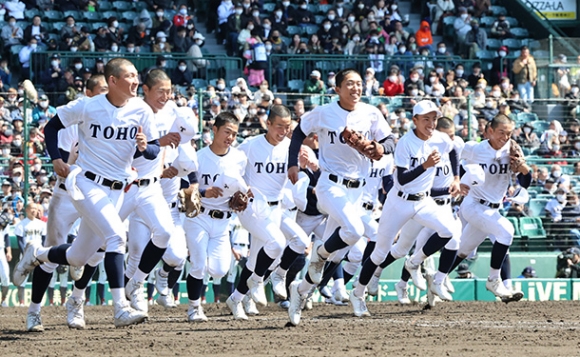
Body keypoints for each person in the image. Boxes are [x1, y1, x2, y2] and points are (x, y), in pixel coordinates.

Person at [13, 58, 158, 331]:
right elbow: (51, 127)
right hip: (85, 183)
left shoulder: (141, 110)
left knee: (79, 257)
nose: (137, 81)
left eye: (137, 75)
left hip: (115, 190)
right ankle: (120, 308)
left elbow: (152, 151)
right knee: (116, 237)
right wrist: (55, 159)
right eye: (130, 76)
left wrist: (143, 147)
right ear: (112, 81)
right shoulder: (88, 106)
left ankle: (39, 253)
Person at [286, 69, 395, 325]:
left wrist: (380, 147)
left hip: (357, 189)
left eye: (358, 84)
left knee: (334, 257)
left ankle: (300, 293)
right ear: (337, 88)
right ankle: (319, 254)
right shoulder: (325, 112)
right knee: (355, 230)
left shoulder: (371, 113)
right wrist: (292, 162)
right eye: (349, 84)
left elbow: (390, 140)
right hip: (330, 184)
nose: (355, 88)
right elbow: (299, 131)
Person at [351, 102, 461, 316]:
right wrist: (425, 166)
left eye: (434, 119)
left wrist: (456, 178)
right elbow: (401, 178)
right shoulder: (406, 143)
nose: (431, 123)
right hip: (399, 201)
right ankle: (358, 293)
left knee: (448, 232)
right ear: (415, 120)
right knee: (380, 252)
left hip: (423, 201)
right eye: (426, 119)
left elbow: (455, 150)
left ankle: (414, 262)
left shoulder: (440, 138)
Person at [225, 105, 308, 321]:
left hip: (275, 208)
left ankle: (237, 298)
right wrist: (241, 187)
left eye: (287, 127)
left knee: (298, 242)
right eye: (278, 126)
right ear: (268, 124)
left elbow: (299, 175)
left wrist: (306, 164)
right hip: (252, 207)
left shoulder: (291, 148)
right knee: (277, 243)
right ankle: (258, 280)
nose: (282, 131)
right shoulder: (251, 145)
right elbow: (231, 167)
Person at [440, 114, 531, 300]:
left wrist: (524, 169)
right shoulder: (474, 148)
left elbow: (525, 182)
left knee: (463, 250)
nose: (505, 137)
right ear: (489, 131)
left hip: (493, 208)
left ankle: (437, 279)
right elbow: (449, 157)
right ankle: (494, 280)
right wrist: (455, 179)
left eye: (509, 133)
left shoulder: (512, 149)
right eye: (501, 133)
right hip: (474, 204)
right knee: (506, 231)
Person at [184, 111, 247, 322]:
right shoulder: (198, 157)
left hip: (223, 221)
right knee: (199, 264)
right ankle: (194, 307)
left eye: (234, 133)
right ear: (214, 130)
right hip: (198, 216)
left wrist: (241, 197)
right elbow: (183, 191)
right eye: (227, 131)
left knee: (219, 270)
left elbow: (240, 188)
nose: (230, 137)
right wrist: (203, 193)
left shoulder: (239, 158)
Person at [14, 203, 46, 307]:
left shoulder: (42, 224)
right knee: (23, 277)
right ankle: (21, 302)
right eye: (32, 208)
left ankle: (37, 301)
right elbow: (20, 241)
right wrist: (25, 254)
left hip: (39, 253)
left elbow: (44, 240)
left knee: (39, 278)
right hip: (26, 254)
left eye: (36, 209)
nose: (34, 210)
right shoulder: (21, 224)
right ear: (26, 210)